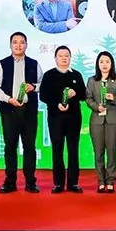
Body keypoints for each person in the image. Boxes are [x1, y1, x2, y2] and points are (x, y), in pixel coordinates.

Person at [0, 32, 42, 193]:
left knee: (29, 146)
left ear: (26, 45)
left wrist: (34, 87)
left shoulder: (34, 64)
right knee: (10, 146)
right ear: (10, 45)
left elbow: (43, 83)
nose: (18, 45)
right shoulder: (2, 64)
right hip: (9, 110)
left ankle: (30, 182)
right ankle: (10, 182)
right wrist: (7, 99)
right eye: (15, 42)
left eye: (22, 42)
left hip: (28, 111)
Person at [39, 46, 86, 193]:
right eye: (61, 56)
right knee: (57, 149)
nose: (64, 58)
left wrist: (75, 92)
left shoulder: (76, 75)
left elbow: (84, 95)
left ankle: (73, 183)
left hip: (73, 118)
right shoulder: (49, 75)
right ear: (55, 58)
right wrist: (56, 103)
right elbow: (43, 95)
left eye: (66, 56)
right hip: (55, 118)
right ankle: (58, 183)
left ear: (70, 58)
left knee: (73, 150)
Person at [86, 51, 116, 193]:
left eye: (107, 62)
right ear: (97, 64)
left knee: (112, 151)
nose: (104, 64)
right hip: (96, 120)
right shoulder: (92, 81)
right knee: (98, 152)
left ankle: (110, 181)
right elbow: (88, 98)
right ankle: (101, 181)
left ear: (112, 64)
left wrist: (113, 98)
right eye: (101, 62)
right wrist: (97, 107)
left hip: (113, 119)